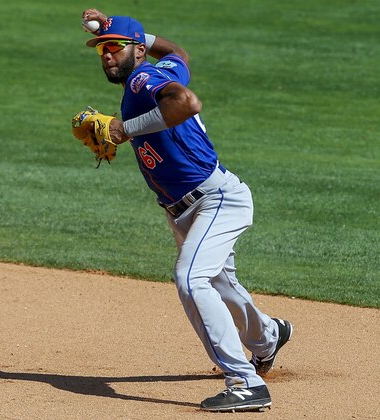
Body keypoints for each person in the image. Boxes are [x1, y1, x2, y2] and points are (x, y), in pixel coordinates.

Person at [78, 9, 293, 412]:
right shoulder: (156, 69)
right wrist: (122, 29)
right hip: (185, 209)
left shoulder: (144, 80)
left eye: (115, 47)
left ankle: (245, 383)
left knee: (191, 279)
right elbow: (177, 51)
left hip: (215, 200)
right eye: (102, 49)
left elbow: (187, 103)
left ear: (138, 52)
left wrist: (123, 129)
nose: (106, 54)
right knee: (222, 285)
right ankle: (267, 336)